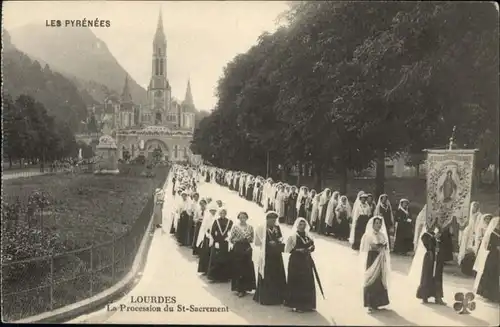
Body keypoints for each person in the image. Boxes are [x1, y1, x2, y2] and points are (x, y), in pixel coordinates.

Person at [285, 217, 318, 313]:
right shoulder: (293, 236)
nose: (302, 226)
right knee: (297, 282)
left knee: (307, 281)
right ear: (297, 225)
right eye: (300, 224)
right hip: (296, 261)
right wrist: (299, 250)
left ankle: (307, 304)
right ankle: (296, 305)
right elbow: (288, 250)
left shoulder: (308, 236)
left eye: (304, 225)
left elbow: (312, 245)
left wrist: (312, 248)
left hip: (306, 261)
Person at [254, 211, 287, 305]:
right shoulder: (261, 228)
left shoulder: (277, 227)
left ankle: (278, 297)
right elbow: (257, 242)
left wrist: (279, 241)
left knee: (277, 274)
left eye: (274, 220)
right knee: (267, 274)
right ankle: (267, 298)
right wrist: (266, 243)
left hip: (276, 255)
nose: (273, 222)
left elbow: (280, 237)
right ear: (267, 219)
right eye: (271, 220)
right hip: (266, 255)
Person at [359, 216, 391, 312]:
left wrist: (383, 247)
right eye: (376, 223)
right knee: (371, 278)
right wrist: (378, 246)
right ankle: (369, 303)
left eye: (379, 223)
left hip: (380, 257)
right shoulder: (368, 235)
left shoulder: (382, 235)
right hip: (372, 258)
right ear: (372, 224)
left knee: (379, 279)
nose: (378, 225)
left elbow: (385, 246)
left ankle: (377, 302)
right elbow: (370, 246)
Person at [412, 225, 446, 305]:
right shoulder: (426, 235)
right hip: (430, 257)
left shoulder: (440, 230)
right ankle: (425, 296)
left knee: (437, 276)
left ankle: (438, 296)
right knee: (427, 276)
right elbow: (427, 244)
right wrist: (434, 237)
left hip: (438, 257)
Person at [473, 217, 499, 303]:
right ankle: (490, 294)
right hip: (493, 256)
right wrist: (496, 247)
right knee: (492, 274)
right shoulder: (493, 233)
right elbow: (487, 246)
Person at [229, 212, 256, 297]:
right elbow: (231, 239)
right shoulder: (235, 227)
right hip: (238, 248)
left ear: (247, 218)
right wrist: (238, 240)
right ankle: (239, 288)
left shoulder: (250, 227)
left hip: (247, 248)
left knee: (246, 267)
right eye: (240, 217)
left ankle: (246, 287)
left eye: (244, 217)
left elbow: (252, 239)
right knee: (238, 267)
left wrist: (248, 239)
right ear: (238, 218)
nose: (242, 219)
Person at [207, 208, 233, 282]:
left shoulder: (229, 222)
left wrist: (228, 238)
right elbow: (212, 232)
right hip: (217, 242)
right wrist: (215, 241)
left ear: (226, 213)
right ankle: (214, 277)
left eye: (224, 213)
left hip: (225, 242)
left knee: (225, 259)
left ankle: (224, 277)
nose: (222, 214)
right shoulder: (216, 221)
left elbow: (231, 231)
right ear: (219, 214)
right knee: (216, 259)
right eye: (221, 213)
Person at [197, 204, 218, 274]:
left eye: (214, 211)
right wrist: (206, 234)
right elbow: (204, 227)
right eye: (212, 210)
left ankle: (211, 271)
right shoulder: (207, 217)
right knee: (206, 253)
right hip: (207, 236)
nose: (213, 212)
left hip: (214, 237)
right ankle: (205, 269)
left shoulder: (217, 217)